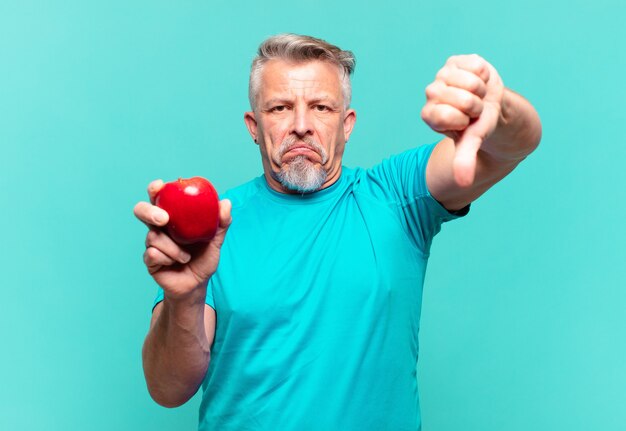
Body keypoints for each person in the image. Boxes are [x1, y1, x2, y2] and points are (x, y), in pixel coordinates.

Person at [134, 34, 541, 430]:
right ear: (253, 125)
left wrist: (498, 109)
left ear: (347, 124)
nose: (301, 125)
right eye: (278, 108)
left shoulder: (396, 197)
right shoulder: (215, 225)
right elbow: (168, 389)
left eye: (321, 108)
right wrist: (184, 297)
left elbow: (508, 147)